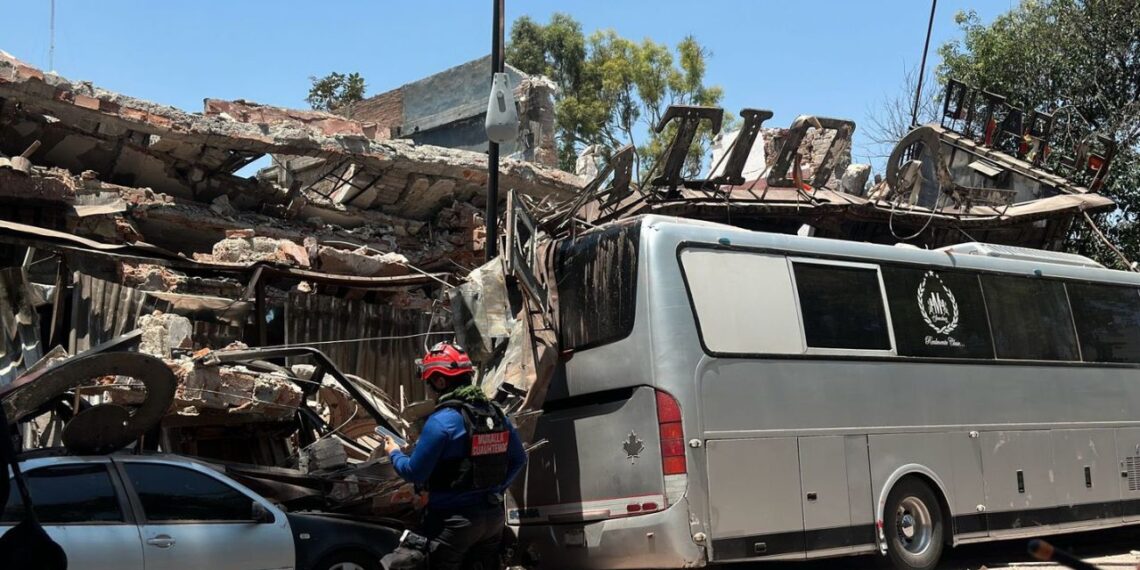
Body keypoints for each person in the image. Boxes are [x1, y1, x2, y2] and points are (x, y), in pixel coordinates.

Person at [382, 342, 527, 570]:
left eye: (429, 383)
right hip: (492, 520)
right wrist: (496, 488)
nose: (428, 390)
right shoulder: (497, 415)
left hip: (454, 525)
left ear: (440, 382)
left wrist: (394, 453)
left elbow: (414, 472)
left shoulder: (443, 421)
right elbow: (519, 459)